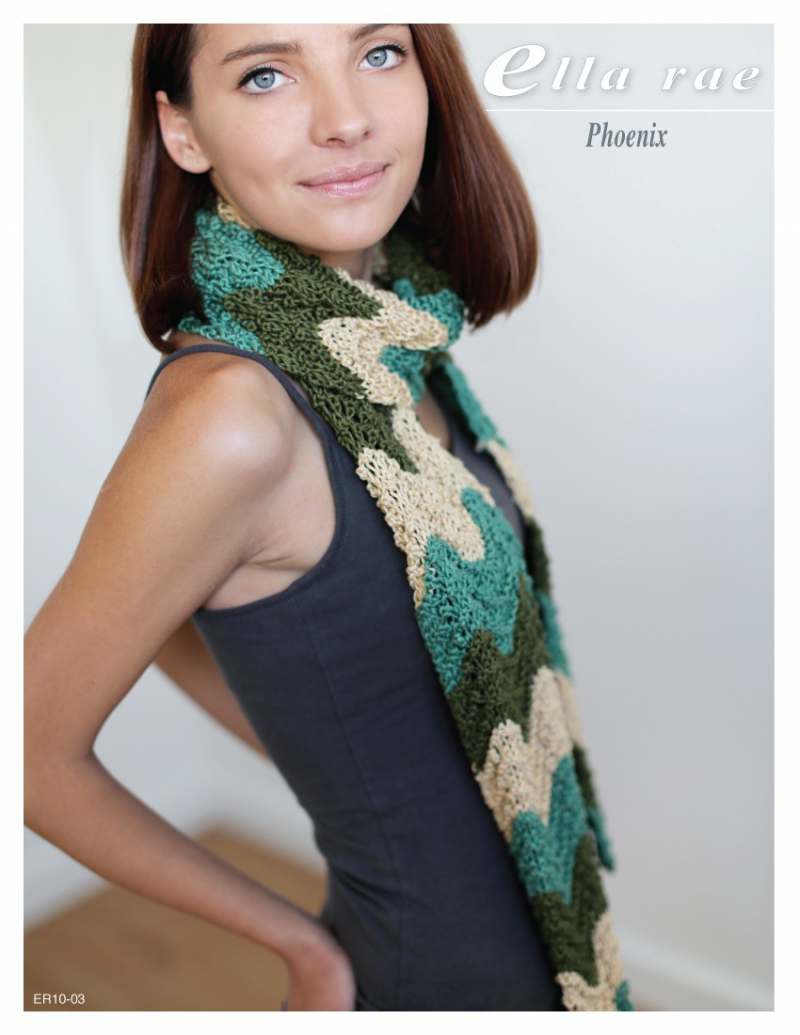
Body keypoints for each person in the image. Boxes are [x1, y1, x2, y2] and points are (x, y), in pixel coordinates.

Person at [25, 24, 630, 1012]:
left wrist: (349, 759)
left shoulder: (388, 340)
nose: (345, 118)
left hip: (547, 922)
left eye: (378, 52)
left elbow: (168, 615)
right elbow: (25, 751)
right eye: (266, 74)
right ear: (183, 132)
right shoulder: (230, 420)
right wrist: (301, 948)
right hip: (434, 982)